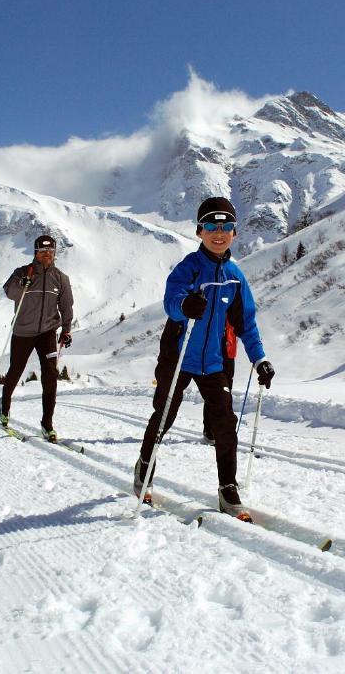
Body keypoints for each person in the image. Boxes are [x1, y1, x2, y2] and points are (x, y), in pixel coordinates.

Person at [133, 196, 274, 521]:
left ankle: (228, 489)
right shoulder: (189, 268)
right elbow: (171, 300)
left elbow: (246, 324)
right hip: (178, 356)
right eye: (211, 225)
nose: (219, 232)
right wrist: (185, 306)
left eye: (226, 226)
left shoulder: (236, 277)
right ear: (200, 231)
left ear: (235, 233)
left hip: (211, 362)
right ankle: (144, 469)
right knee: (164, 416)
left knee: (225, 425)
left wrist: (260, 359)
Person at [0, 234, 74, 442]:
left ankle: (47, 424)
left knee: (50, 375)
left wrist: (66, 330)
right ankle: (4, 409)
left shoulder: (60, 278)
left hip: (47, 332)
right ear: (35, 253)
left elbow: (66, 306)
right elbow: (9, 292)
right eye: (42, 252)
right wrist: (22, 284)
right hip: (23, 332)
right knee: (15, 371)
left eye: (50, 252)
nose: (46, 256)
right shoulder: (23, 273)